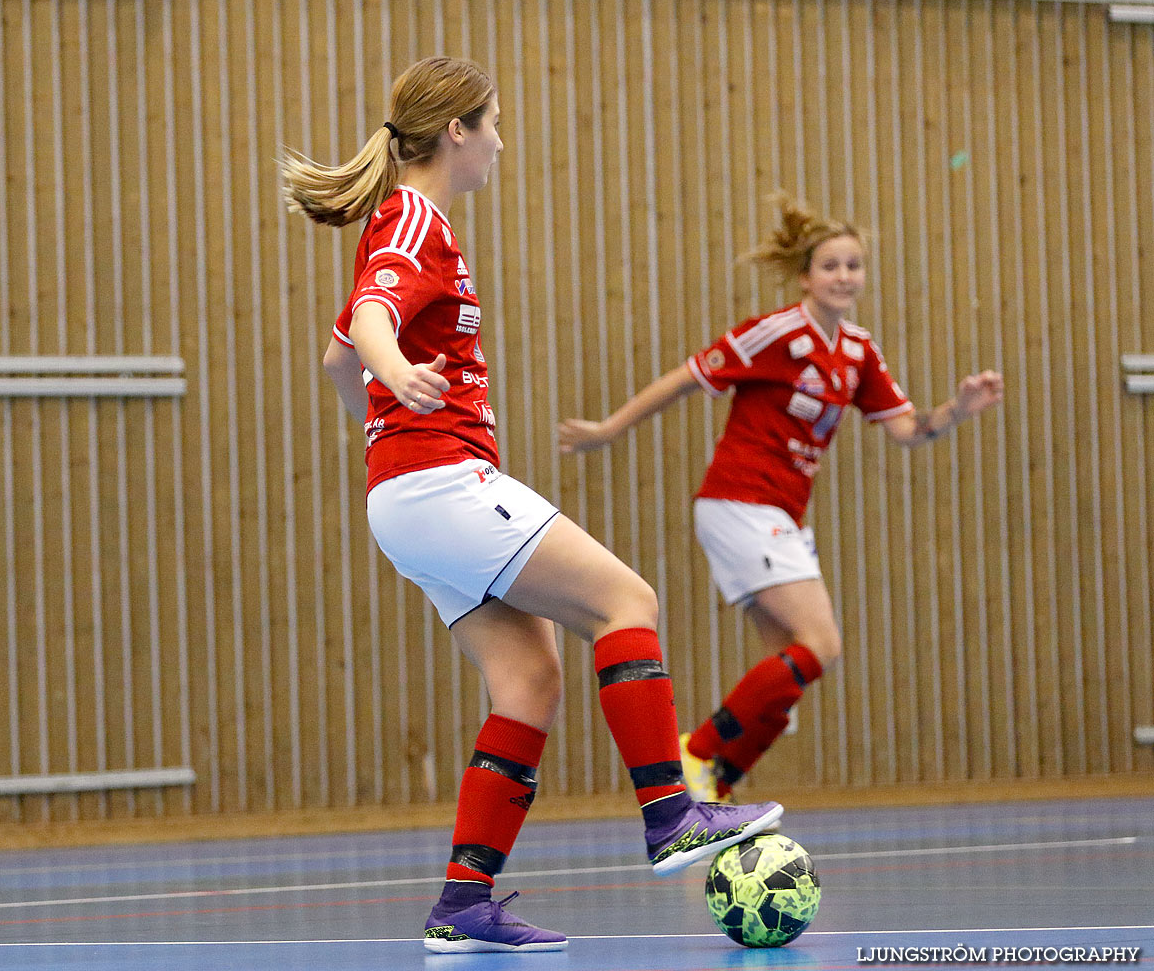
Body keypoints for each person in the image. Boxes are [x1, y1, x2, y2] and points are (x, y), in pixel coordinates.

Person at [281, 56, 782, 955]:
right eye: (495, 124)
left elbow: (332, 366)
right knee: (627, 603)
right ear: (457, 133)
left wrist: (382, 429)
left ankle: (462, 905)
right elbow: (365, 325)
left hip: (406, 492)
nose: (502, 143)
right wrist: (398, 380)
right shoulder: (413, 220)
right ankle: (672, 816)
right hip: (442, 482)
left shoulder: (409, 222)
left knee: (529, 680)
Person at [558, 194, 1005, 805]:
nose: (844, 276)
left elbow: (906, 429)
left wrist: (958, 410)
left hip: (781, 517)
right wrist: (609, 429)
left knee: (788, 666)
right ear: (805, 276)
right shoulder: (777, 332)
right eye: (831, 266)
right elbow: (688, 377)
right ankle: (696, 753)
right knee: (822, 644)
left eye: (854, 265)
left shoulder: (857, 351)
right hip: (740, 502)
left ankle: (715, 788)